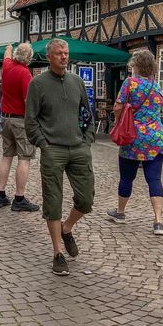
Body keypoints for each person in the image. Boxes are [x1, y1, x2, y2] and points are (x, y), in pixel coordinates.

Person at [25, 38, 95, 276]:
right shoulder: (38, 84)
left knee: (86, 199)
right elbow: (31, 121)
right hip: (52, 149)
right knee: (53, 201)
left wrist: (87, 140)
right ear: (49, 57)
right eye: (58, 53)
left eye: (66, 53)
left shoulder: (76, 82)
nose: (64, 57)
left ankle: (67, 228)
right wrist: (43, 145)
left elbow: (87, 113)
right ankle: (57, 253)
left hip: (78, 148)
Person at [107, 49, 163, 236]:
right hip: (156, 138)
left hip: (132, 137)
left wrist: (118, 121)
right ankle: (158, 221)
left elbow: (118, 106)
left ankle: (120, 212)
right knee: (154, 179)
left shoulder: (130, 83)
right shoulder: (156, 86)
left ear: (136, 65)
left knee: (127, 177)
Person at [0, 43, 39, 212]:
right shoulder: (25, 73)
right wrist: (33, 120)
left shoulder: (7, 66)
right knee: (24, 158)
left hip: (5, 118)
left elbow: (6, 54)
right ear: (28, 59)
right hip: (20, 120)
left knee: (6, 156)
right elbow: (28, 101)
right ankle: (19, 198)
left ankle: (1, 195)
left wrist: (8, 46)